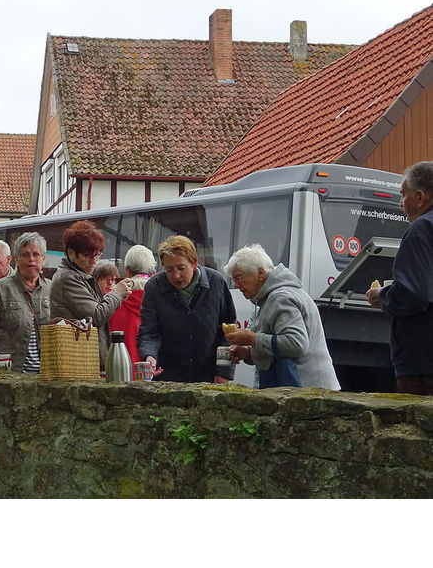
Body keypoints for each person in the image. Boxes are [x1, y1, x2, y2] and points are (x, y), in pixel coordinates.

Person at [224, 244, 340, 390]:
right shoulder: (277, 295)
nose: (236, 285)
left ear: (260, 273)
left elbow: (296, 343)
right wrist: (248, 353)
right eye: (234, 280)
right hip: (310, 388)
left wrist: (252, 339)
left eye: (239, 278)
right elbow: (280, 349)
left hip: (306, 391)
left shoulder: (280, 298)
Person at [367, 161, 433, 395]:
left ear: (420, 197)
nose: (400, 203)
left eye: (403, 195)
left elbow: (414, 294)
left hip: (422, 362)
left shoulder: (421, 230)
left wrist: (383, 295)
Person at [137, 235, 235, 383]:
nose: (176, 276)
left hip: (208, 375)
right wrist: (149, 356)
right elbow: (148, 332)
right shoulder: (154, 288)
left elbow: (228, 333)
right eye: (169, 270)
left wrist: (223, 371)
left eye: (181, 268)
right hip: (168, 376)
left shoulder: (217, 283)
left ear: (194, 263)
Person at [49, 220, 131, 369]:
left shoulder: (79, 275)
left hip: (84, 358)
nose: (94, 261)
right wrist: (117, 294)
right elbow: (97, 315)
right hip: (78, 361)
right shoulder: (68, 278)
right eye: (87, 255)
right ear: (71, 253)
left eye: (97, 255)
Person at [0, 232, 52, 373]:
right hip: (12, 375)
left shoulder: (51, 289)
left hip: (47, 375)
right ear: (17, 259)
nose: (31, 259)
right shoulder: (2, 288)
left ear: (43, 259)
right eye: (25, 255)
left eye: (36, 254)